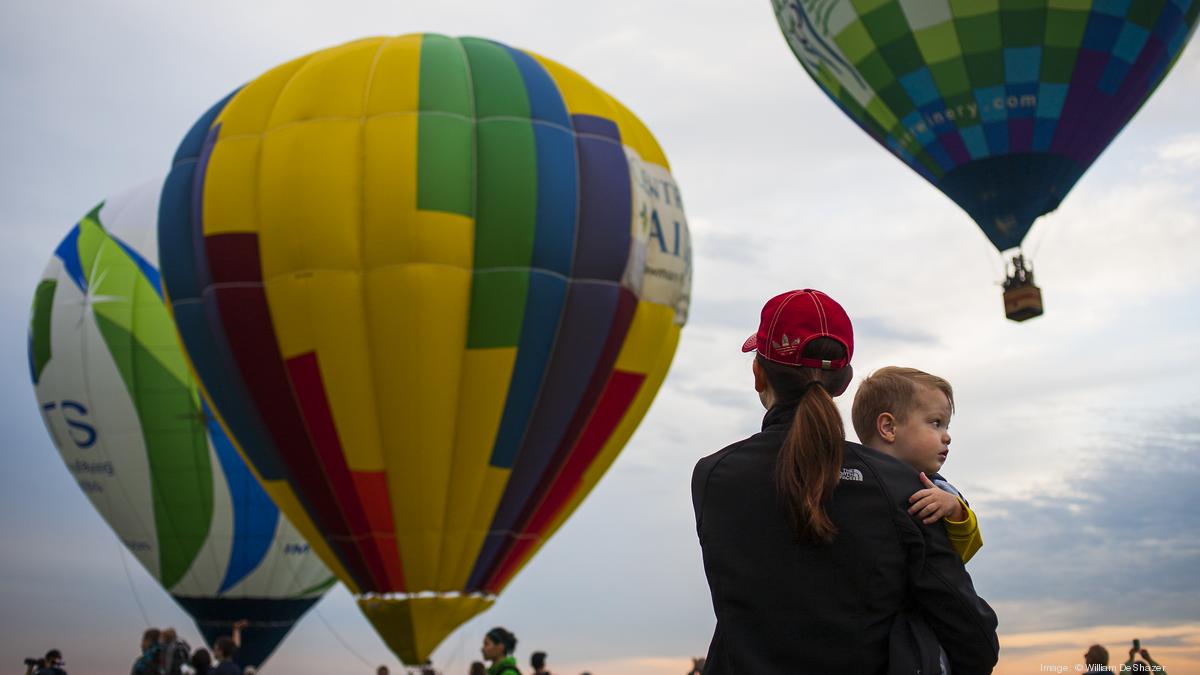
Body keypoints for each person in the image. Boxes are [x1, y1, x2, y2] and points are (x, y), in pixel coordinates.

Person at [692, 289, 999, 674]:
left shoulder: (713, 477)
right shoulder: (906, 486)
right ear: (844, 382)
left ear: (758, 374)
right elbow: (974, 639)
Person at [852, 366, 982, 563]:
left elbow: (961, 555)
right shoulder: (850, 479)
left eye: (946, 426)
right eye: (936, 423)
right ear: (889, 428)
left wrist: (955, 510)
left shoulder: (936, 489)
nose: (947, 437)